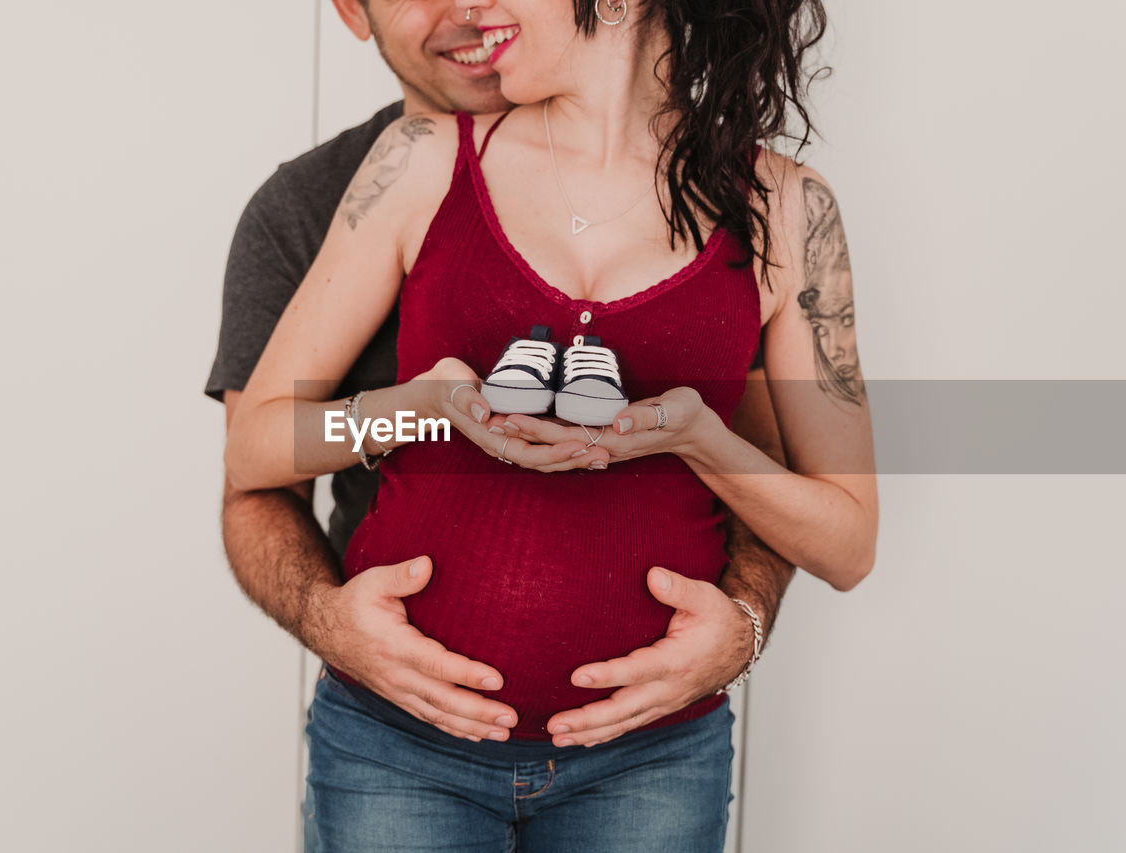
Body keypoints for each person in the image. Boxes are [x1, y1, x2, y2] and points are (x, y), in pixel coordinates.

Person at [213, 0, 874, 849]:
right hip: (399, 751)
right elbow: (257, 447)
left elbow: (849, 542)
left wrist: (698, 438)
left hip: (651, 763)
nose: (475, 4)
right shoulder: (421, 160)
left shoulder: (788, 213)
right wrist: (419, 409)